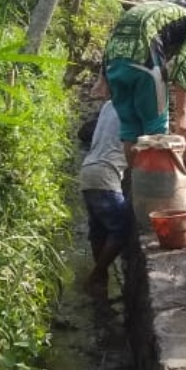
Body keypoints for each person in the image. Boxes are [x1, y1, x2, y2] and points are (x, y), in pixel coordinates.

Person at [101, 0, 186, 154]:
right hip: (145, 61)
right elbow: (184, 66)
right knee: (156, 130)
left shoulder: (162, 11)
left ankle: (133, 177)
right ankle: (154, 177)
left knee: (130, 129)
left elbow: (114, 37)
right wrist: (181, 116)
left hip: (113, 62)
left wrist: (103, 76)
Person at [78, 85, 134, 291]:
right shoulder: (132, 108)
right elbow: (133, 145)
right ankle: (97, 275)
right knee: (121, 230)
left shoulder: (109, 106)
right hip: (106, 175)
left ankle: (100, 282)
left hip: (88, 170)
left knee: (99, 230)